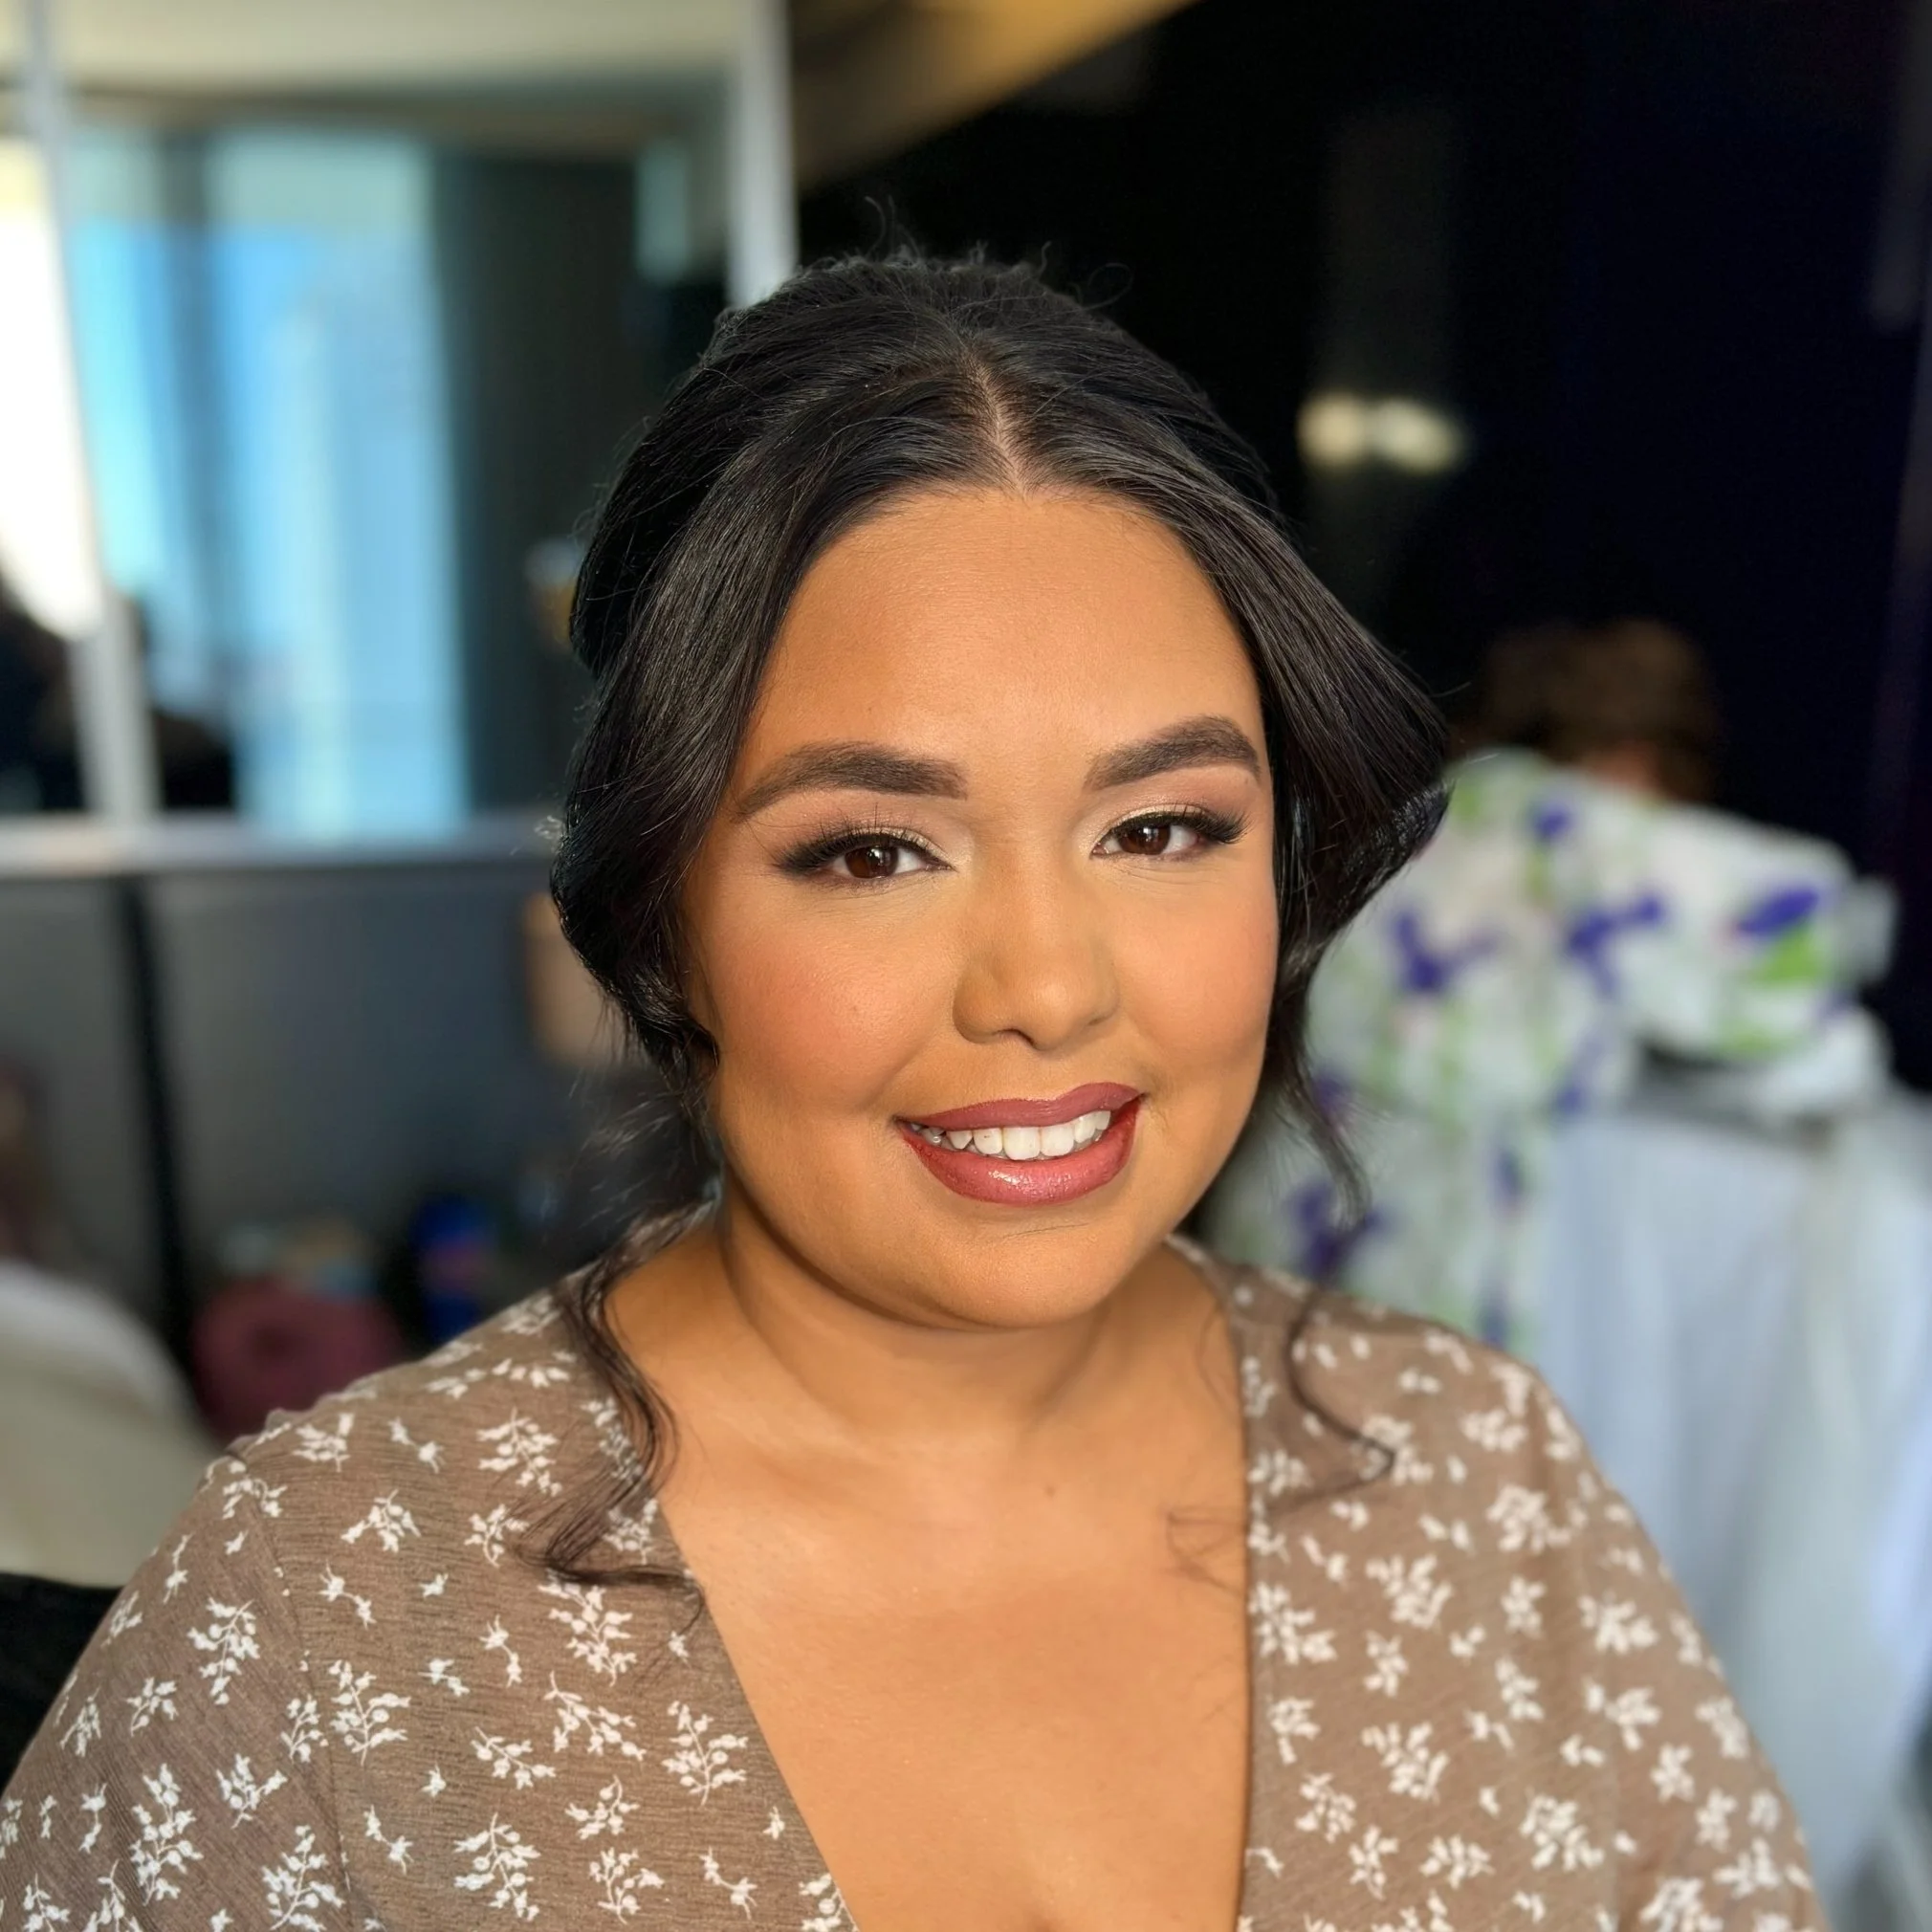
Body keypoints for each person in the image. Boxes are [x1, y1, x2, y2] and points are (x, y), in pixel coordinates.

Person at [0, 259, 1820, 1929]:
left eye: (1164, 827)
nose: (1045, 989)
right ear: (663, 918)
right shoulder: (326, 1609)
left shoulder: (1482, 1483)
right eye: (872, 851)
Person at [1206, 618, 1882, 1353]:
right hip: (1420, 1250)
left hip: (1281, 1205)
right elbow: (1798, 927)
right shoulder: (1568, 826)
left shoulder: (1432, 816)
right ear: (1633, 756)